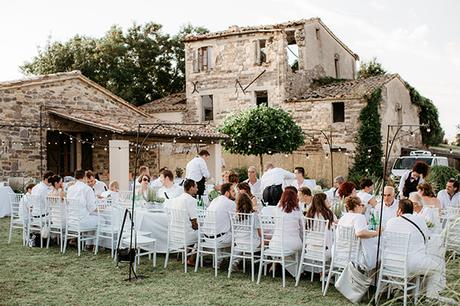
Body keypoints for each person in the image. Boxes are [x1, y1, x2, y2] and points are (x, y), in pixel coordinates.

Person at [385, 199, 452, 302]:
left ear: (399, 210)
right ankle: (431, 297)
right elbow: (425, 240)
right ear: (412, 210)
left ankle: (398, 289)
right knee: (437, 268)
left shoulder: (390, 222)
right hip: (413, 264)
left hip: (391, 264)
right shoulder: (419, 220)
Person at [338, 195, 380, 269]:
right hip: (354, 256)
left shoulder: (343, 217)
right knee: (378, 251)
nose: (363, 207)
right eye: (362, 205)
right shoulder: (359, 217)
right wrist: (376, 233)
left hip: (339, 253)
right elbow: (360, 233)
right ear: (356, 206)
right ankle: (370, 278)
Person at [165, 179, 199, 266]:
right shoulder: (191, 200)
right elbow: (194, 223)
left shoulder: (175, 200)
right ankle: (191, 259)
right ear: (191, 188)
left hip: (174, 233)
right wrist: (201, 228)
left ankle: (185, 256)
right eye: (196, 187)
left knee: (194, 232)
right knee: (202, 235)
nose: (197, 189)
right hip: (185, 235)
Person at [230, 192, 262, 271]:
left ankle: (234, 262)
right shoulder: (254, 215)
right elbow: (260, 233)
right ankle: (265, 266)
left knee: (246, 240)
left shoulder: (235, 215)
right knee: (267, 241)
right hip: (252, 243)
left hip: (239, 242)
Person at [268, 189, 303, 254]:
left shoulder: (277, 209)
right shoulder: (297, 210)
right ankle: (295, 264)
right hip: (292, 243)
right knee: (301, 244)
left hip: (275, 243)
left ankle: (283, 263)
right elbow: (303, 227)